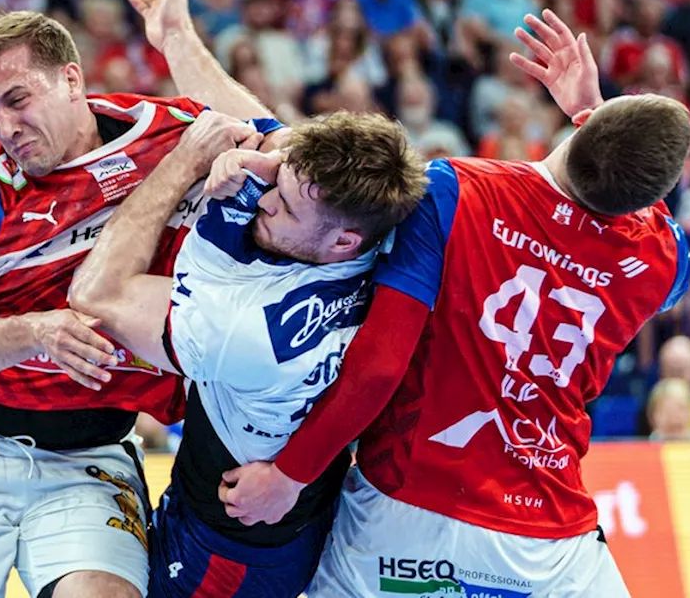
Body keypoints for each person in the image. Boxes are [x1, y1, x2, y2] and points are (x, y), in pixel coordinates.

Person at [221, 10, 690, 596]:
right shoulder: (661, 258)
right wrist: (596, 119)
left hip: (408, 509)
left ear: (579, 132)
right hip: (548, 539)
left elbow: (379, 366)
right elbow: (646, 213)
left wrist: (291, 476)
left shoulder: (454, 190)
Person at [0, 9, 280, 598]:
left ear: (72, 81)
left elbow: (274, 137)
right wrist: (36, 332)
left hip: (91, 453)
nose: (6, 127)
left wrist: (176, 32)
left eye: (18, 99)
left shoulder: (167, 132)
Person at [68, 111, 428, 597]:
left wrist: (182, 164)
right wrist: (262, 153)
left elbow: (95, 295)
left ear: (344, 242)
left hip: (227, 547)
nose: (266, 199)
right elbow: (273, 136)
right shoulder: (373, 230)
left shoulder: (242, 331)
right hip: (287, 510)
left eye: (287, 206)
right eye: (277, 180)